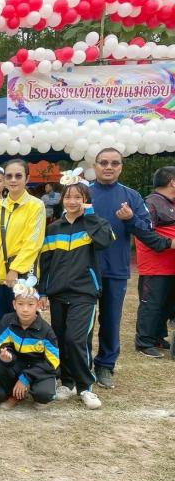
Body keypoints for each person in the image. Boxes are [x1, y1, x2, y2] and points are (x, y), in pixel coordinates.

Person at [89, 148, 169, 387]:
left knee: (111, 321)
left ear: (121, 167)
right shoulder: (82, 193)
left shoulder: (131, 196)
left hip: (115, 269)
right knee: (82, 324)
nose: (109, 167)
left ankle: (105, 366)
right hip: (84, 270)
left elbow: (148, 231)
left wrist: (130, 218)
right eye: (103, 162)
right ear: (95, 165)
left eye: (114, 163)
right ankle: (79, 367)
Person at [39, 172, 113, 410]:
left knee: (76, 339)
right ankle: (67, 382)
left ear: (86, 200)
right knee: (61, 339)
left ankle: (85, 387)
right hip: (57, 293)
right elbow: (45, 263)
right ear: (62, 200)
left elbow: (105, 241)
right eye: (68, 197)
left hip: (84, 293)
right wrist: (42, 292)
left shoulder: (95, 223)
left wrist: (90, 216)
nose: (72, 202)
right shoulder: (53, 228)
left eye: (78, 197)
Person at [0, 276, 58, 410]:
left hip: (37, 369)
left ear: (38, 305)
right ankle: (14, 394)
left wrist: (26, 377)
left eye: (30, 304)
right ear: (14, 305)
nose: (25, 309)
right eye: (20, 304)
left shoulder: (46, 331)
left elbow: (52, 362)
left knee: (44, 394)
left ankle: (31, 386)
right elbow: (2, 346)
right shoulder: (6, 320)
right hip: (15, 365)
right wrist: (7, 357)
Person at [0, 158, 46, 318]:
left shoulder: (36, 205)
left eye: (18, 176)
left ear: (27, 178)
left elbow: (33, 243)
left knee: (22, 322)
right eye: (9, 176)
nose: (13, 180)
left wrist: (14, 270)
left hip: (21, 277)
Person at [134, 165, 175, 358]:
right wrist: (168, 243)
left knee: (166, 304)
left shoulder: (171, 202)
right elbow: (143, 233)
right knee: (152, 304)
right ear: (172, 182)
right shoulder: (150, 203)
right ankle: (144, 341)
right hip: (154, 266)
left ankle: (158, 336)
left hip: (170, 265)